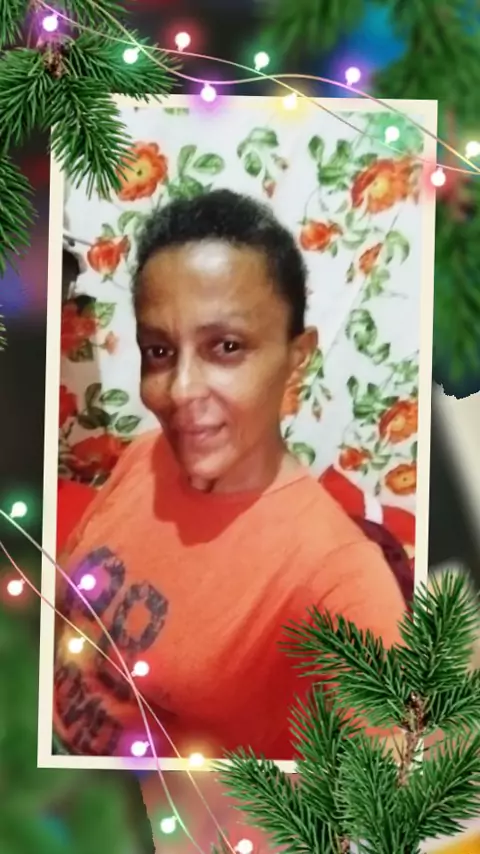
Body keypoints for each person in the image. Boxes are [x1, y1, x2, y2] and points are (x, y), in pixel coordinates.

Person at [53, 189, 408, 760]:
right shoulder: (146, 454)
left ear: (296, 359)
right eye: (159, 351)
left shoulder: (339, 577)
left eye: (225, 346)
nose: (180, 391)